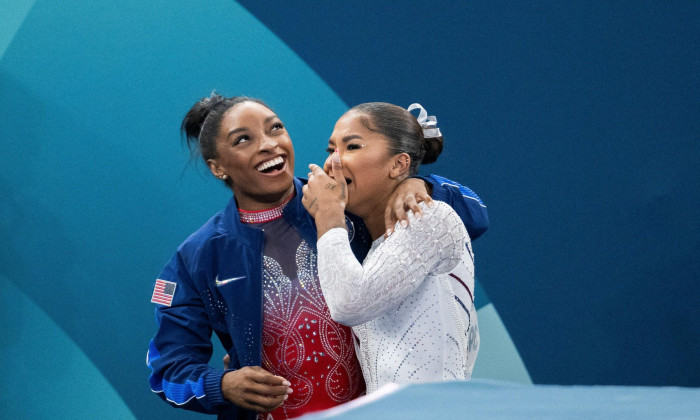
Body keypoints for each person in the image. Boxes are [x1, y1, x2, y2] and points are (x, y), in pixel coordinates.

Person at [147, 94, 488, 420]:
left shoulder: (345, 203)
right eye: (243, 140)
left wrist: (420, 186)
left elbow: (471, 218)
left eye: (275, 128)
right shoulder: (197, 258)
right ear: (217, 168)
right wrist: (221, 385)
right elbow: (168, 370)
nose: (269, 144)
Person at [302, 102, 479, 393]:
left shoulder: (429, 218)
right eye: (330, 150)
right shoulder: (376, 250)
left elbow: (349, 304)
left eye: (352, 147)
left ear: (398, 164)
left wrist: (328, 214)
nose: (333, 162)